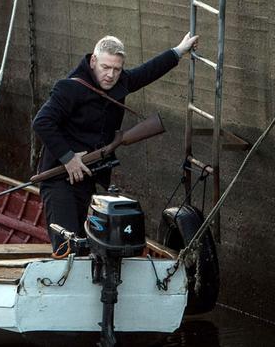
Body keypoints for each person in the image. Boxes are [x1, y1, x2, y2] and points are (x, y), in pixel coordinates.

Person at [32, 33, 198, 250]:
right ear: (93, 61)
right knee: (67, 246)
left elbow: (148, 71)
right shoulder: (68, 88)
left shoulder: (120, 82)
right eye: (105, 67)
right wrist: (69, 158)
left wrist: (179, 50)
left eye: (116, 69)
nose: (110, 75)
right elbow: (42, 122)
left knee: (88, 243)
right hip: (58, 179)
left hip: (87, 178)